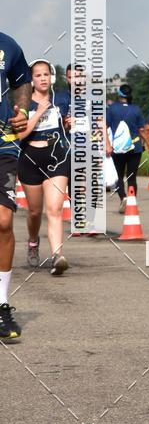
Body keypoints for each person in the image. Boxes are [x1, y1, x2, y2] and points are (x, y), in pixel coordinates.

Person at [18, 60, 70, 275]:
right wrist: (39, 112)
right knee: (34, 211)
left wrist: (68, 124)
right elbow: (20, 134)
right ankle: (32, 241)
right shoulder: (22, 102)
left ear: (52, 76)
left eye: (46, 74)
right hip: (30, 157)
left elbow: (65, 123)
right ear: (32, 79)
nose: (43, 78)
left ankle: (57, 256)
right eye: (38, 75)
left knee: (55, 209)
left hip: (57, 156)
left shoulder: (61, 99)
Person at [0, 33, 31, 340]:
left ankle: (2, 305)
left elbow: (21, 81)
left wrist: (21, 112)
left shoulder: (8, 44)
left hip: (3, 146)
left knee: (3, 220)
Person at [106, 84, 149, 213]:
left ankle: (123, 199)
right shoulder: (136, 109)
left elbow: (104, 126)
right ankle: (132, 203)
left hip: (117, 148)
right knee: (132, 176)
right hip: (135, 147)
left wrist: (107, 144)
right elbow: (142, 129)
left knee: (119, 176)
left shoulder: (112, 108)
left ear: (119, 94)